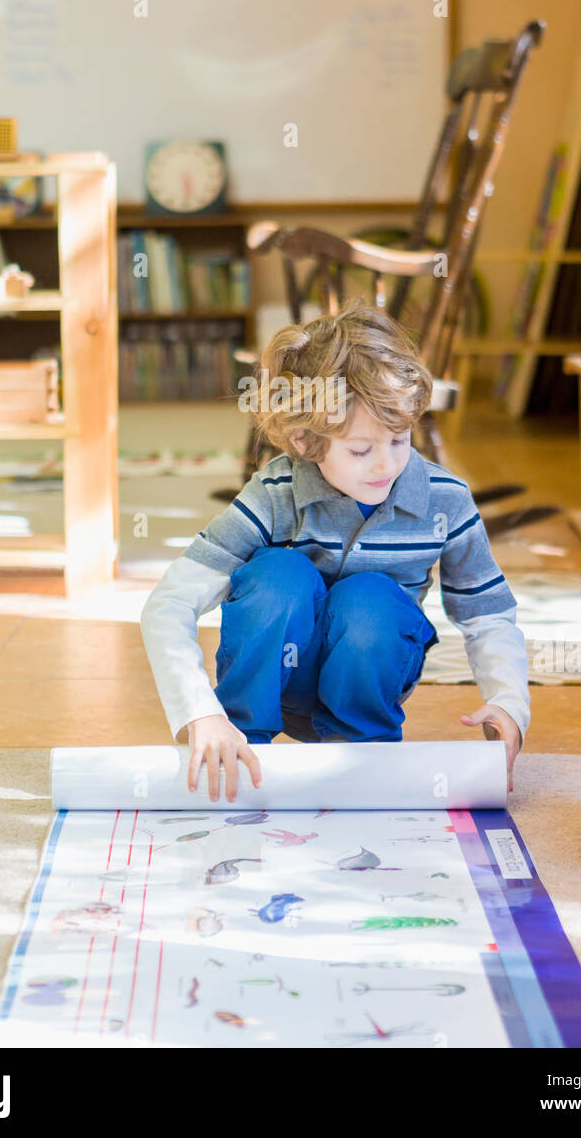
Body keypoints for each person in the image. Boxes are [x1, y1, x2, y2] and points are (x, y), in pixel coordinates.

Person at [141, 301, 529, 804]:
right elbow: (167, 605)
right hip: (277, 677)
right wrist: (201, 713)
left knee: (369, 595)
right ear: (305, 441)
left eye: (399, 439)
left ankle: (361, 745)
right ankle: (240, 741)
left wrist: (509, 705)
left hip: (368, 669)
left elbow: (489, 616)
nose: (385, 465)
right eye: (360, 450)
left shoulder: (445, 499)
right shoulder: (275, 492)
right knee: (280, 574)